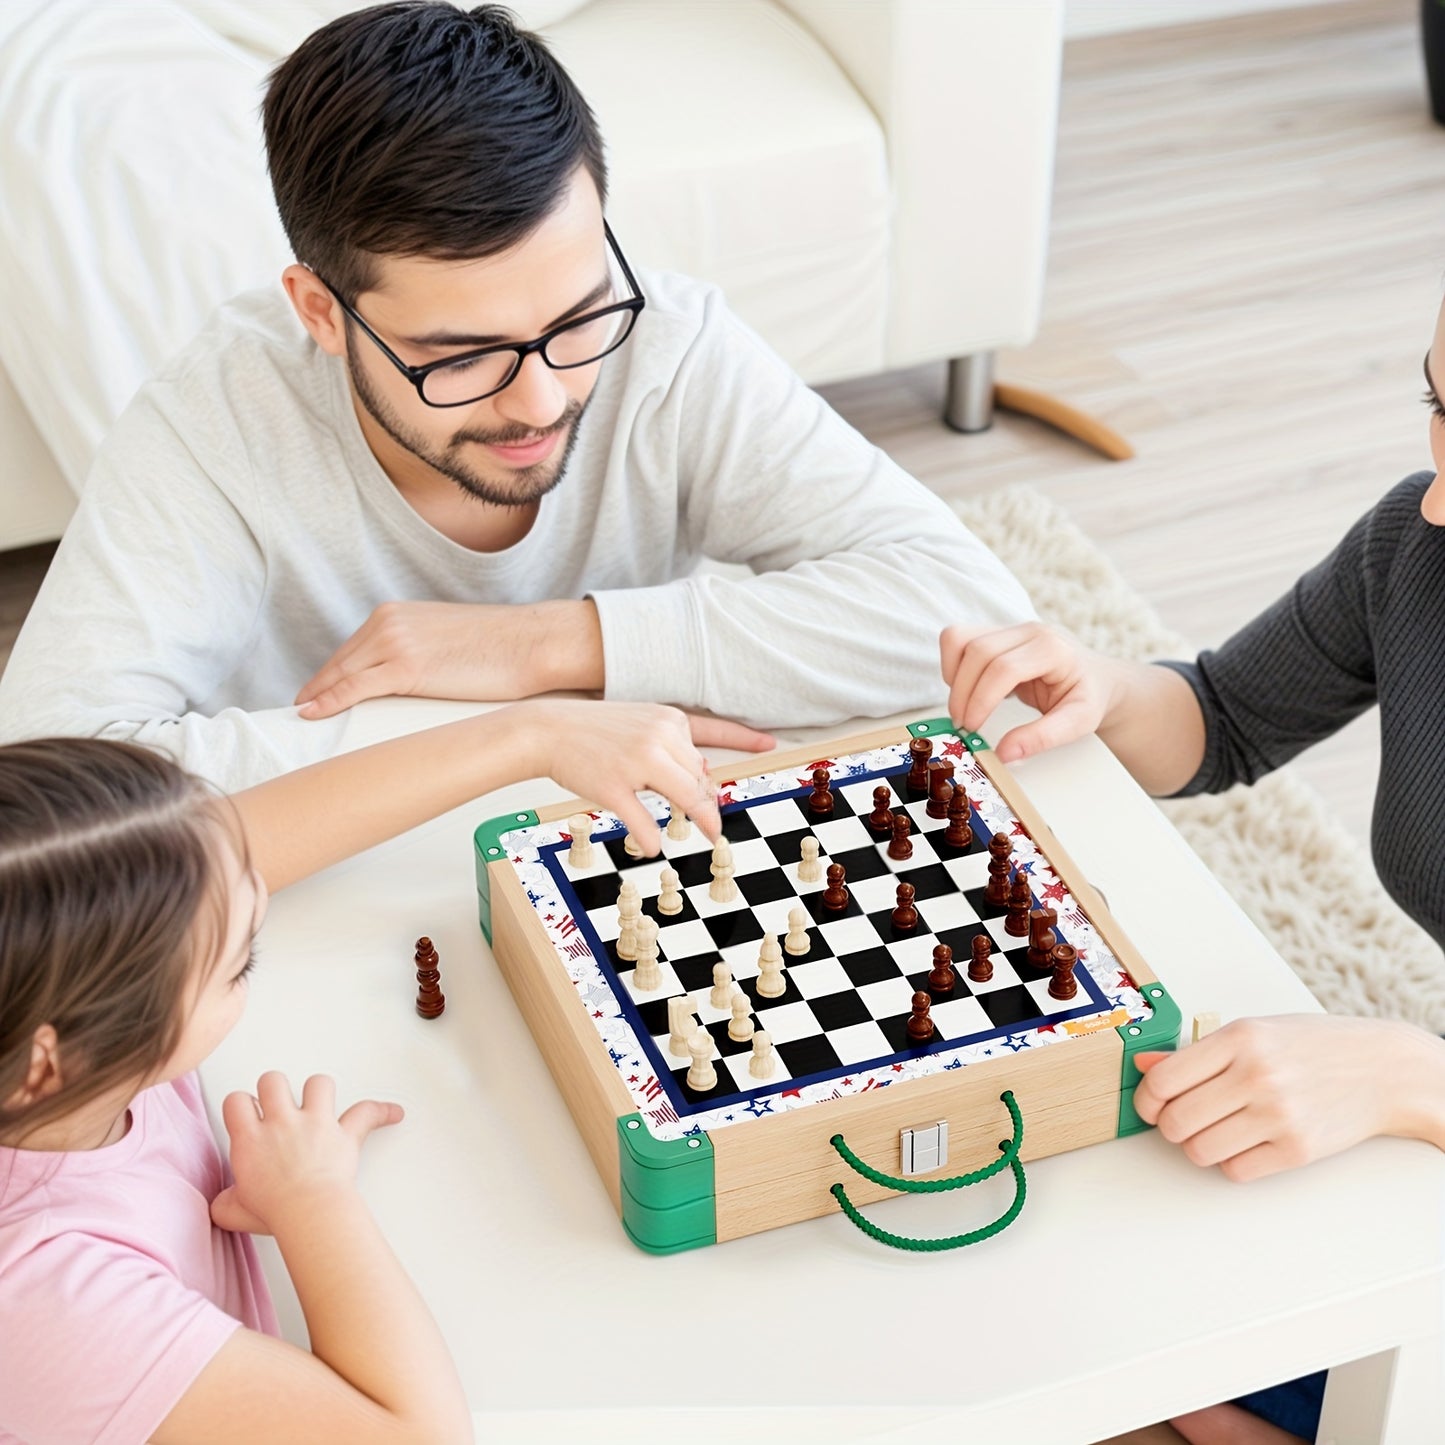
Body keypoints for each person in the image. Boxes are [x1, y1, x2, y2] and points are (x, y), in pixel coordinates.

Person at [0, 0, 1032, 791]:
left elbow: (968, 613)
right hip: (339, 847)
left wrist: (547, 645)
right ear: (319, 312)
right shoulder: (215, 422)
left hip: (613, 815)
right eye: (460, 356)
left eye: (575, 320)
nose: (542, 400)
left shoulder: (666, 342)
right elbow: (47, 781)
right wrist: (506, 732)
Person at [0, 698, 771, 1444]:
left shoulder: (51, 993)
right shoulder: (45, 1301)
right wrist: (311, 1201)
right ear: (53, 1058)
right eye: (238, 964)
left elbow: (220, 858)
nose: (258, 895)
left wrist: (535, 732)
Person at [939, 336, 1445, 1442]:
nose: (1441, 491)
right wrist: (1105, 687)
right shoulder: (1418, 546)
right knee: (1078, 1331)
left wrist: (1411, 1076)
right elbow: (1223, 716)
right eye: (1436, 400)